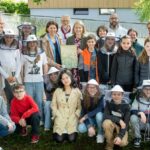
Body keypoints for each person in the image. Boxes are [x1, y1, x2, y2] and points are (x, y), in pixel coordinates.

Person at [21, 34, 48, 122]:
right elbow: (21, 68)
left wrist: (45, 77)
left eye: (34, 42)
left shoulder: (42, 53)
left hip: (39, 81)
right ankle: (29, 120)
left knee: (39, 101)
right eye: (30, 42)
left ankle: (39, 119)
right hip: (28, 81)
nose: (32, 44)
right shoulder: (24, 54)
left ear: (37, 43)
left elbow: (45, 65)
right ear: (27, 44)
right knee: (28, 101)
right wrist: (22, 80)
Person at [51, 69, 82, 143]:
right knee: (59, 139)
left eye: (67, 77)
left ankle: (69, 134)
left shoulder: (77, 91)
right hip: (60, 117)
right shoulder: (57, 91)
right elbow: (53, 105)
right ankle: (60, 134)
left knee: (72, 139)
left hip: (72, 118)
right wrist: (56, 114)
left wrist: (76, 115)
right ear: (61, 80)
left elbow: (79, 106)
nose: (65, 80)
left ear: (71, 77)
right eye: (63, 78)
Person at [102, 85, 130, 150]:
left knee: (123, 143)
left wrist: (120, 136)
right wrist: (119, 120)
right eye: (114, 94)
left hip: (121, 127)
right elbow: (105, 116)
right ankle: (109, 144)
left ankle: (117, 137)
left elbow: (126, 123)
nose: (116, 96)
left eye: (119, 94)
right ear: (111, 95)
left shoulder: (126, 106)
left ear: (122, 96)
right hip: (111, 124)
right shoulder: (108, 103)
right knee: (106, 123)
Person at [78, 79, 104, 143]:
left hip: (99, 119)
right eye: (89, 87)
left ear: (97, 88)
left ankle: (100, 133)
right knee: (81, 128)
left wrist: (86, 116)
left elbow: (99, 108)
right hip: (90, 119)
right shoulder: (84, 97)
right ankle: (92, 127)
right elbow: (83, 113)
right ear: (87, 88)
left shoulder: (101, 96)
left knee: (99, 115)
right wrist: (89, 126)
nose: (91, 89)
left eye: (93, 87)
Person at [0, 29, 21, 105]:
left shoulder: (16, 48)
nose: (9, 39)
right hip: (3, 75)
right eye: (7, 37)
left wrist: (16, 76)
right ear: (4, 37)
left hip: (14, 75)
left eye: (11, 37)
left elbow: (19, 63)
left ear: (13, 38)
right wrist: (6, 76)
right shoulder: (0, 48)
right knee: (7, 97)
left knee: (16, 95)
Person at [130, 80, 150, 148]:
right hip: (140, 122)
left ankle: (147, 134)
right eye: (146, 89)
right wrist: (140, 113)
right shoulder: (138, 98)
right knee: (133, 117)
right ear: (142, 89)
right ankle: (137, 137)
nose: (148, 91)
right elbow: (133, 109)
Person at [43, 67, 59, 131]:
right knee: (47, 104)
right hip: (51, 101)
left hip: (60, 102)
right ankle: (47, 126)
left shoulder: (61, 82)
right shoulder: (47, 84)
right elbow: (47, 97)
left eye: (55, 74)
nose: (53, 76)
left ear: (58, 74)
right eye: (51, 75)